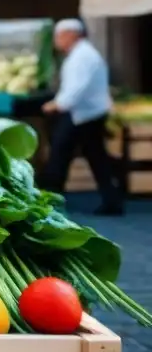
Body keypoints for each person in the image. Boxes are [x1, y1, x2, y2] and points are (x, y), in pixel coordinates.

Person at [40, 19, 123, 216]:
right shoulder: (82, 54)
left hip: (84, 114)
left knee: (61, 154)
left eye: (59, 36)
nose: (56, 41)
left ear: (71, 34)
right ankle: (111, 201)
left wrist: (58, 104)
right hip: (86, 113)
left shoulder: (82, 57)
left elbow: (76, 88)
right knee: (93, 157)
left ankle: (51, 199)